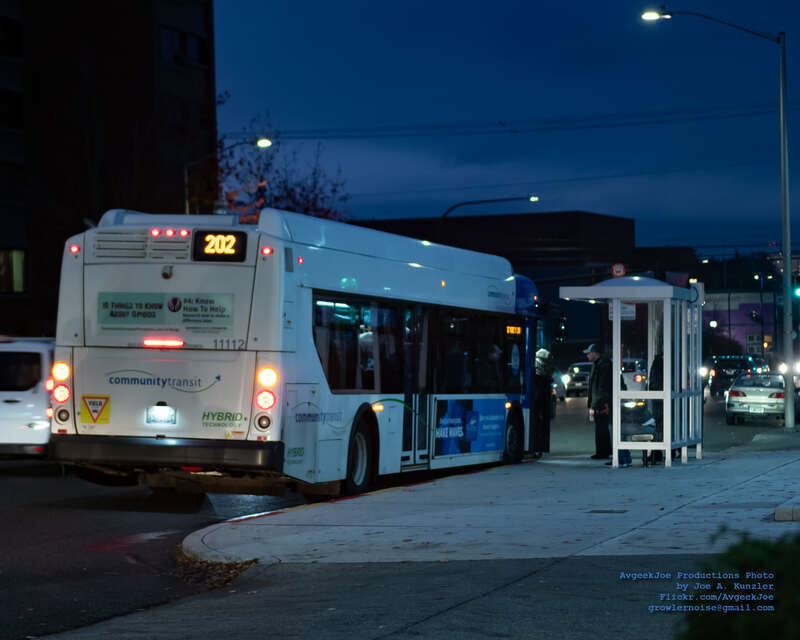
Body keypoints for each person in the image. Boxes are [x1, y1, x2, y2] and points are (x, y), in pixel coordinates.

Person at [585, 343, 631, 467]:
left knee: (609, 428)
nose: (587, 355)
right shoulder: (600, 365)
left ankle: (615, 455)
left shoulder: (604, 366)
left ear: (596, 353)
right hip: (604, 402)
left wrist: (599, 404)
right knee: (604, 428)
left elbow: (602, 387)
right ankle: (607, 452)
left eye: (589, 353)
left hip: (605, 403)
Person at [531, 347, 554, 457]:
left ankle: (536, 448)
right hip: (541, 408)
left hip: (537, 407)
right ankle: (538, 448)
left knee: (537, 423)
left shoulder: (535, 377)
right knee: (539, 423)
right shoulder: (546, 378)